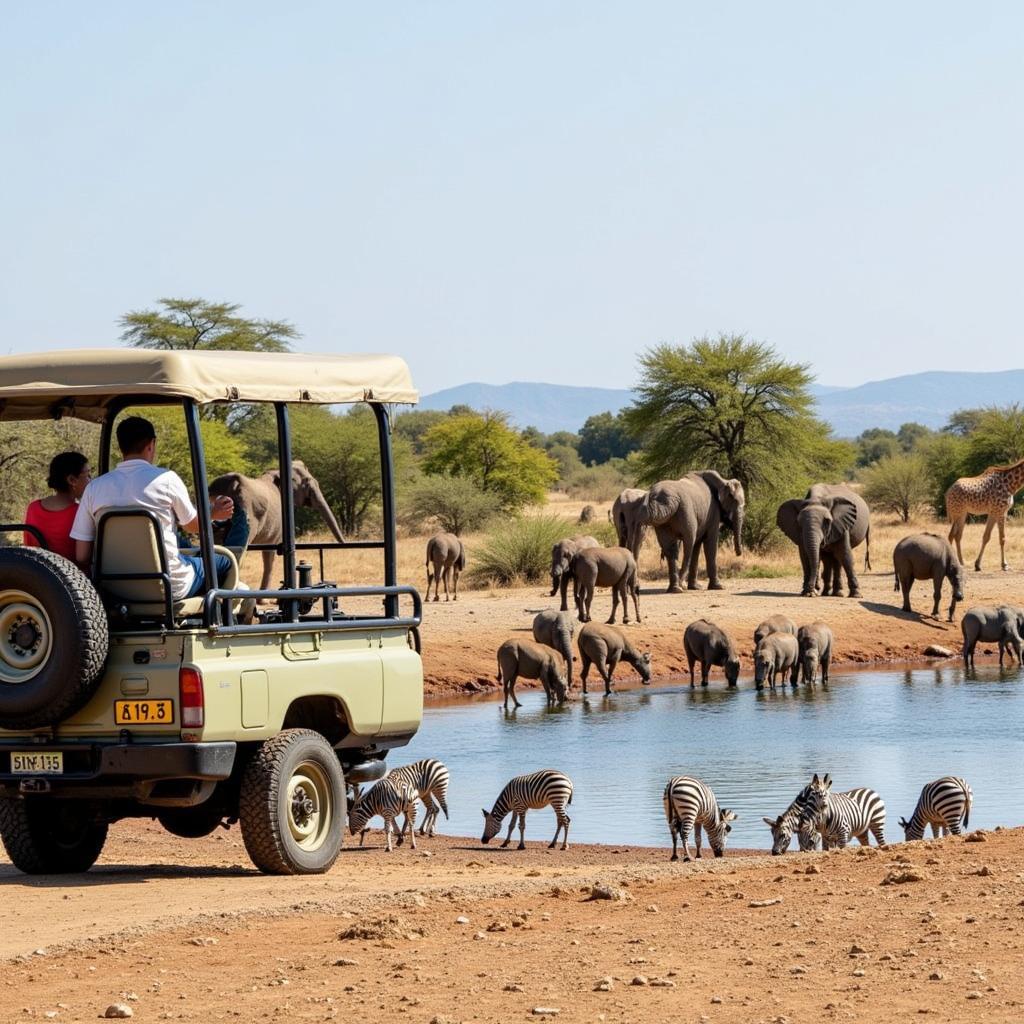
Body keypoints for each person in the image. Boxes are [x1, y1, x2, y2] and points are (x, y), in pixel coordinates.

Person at [71, 416, 235, 600]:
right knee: (224, 561)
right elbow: (192, 526)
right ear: (151, 444)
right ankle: (212, 619)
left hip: (112, 589)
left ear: (120, 447)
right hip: (167, 585)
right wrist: (213, 513)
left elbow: (82, 555)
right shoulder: (167, 479)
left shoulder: (94, 487)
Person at [23, 452, 93, 560]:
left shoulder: (33, 508)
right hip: (74, 575)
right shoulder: (80, 512)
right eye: (88, 475)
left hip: (38, 574)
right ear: (72, 480)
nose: (91, 480)